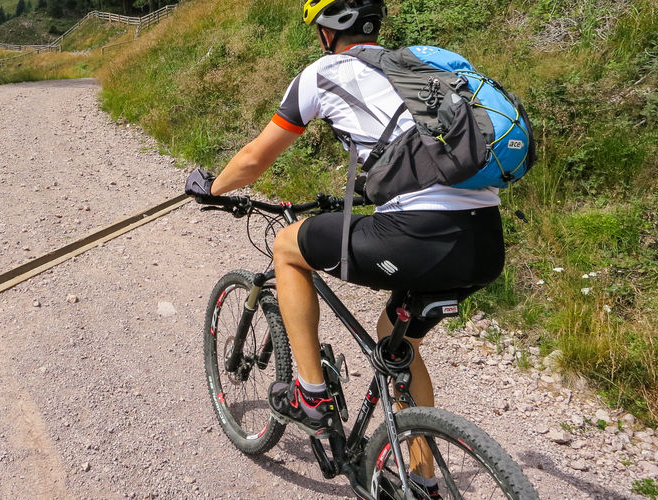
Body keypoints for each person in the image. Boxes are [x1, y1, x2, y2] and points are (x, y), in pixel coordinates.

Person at [185, 0, 505, 493]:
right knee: (395, 342)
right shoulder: (415, 70)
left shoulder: (323, 73)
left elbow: (252, 160)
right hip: (483, 240)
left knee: (289, 247)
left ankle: (310, 394)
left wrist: (213, 188)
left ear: (326, 32)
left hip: (417, 234)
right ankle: (421, 479)